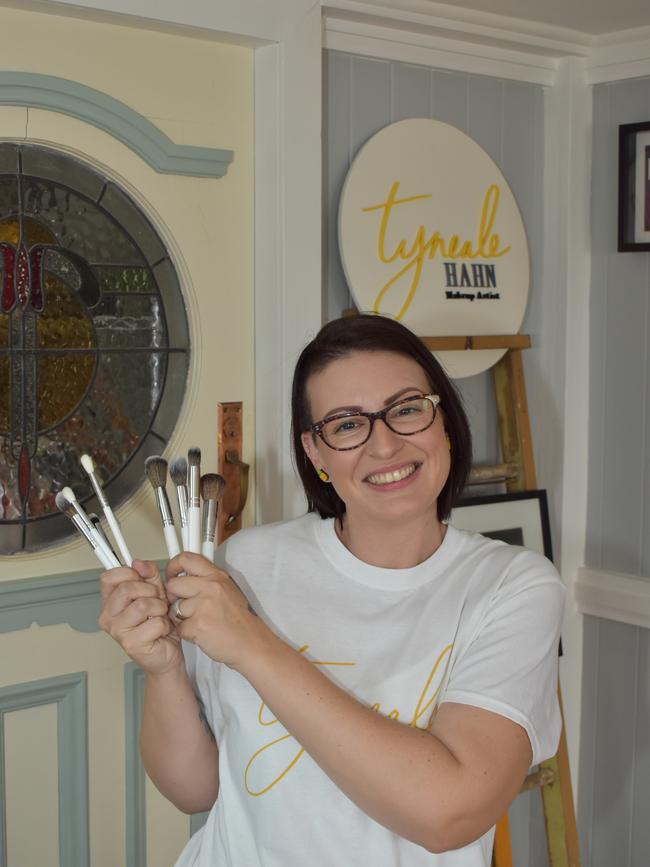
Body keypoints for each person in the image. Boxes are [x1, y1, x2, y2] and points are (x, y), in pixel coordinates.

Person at [99, 313, 565, 867]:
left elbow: (450, 815)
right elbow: (194, 789)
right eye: (346, 425)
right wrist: (164, 669)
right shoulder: (248, 564)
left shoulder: (514, 587)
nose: (385, 445)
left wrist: (251, 644)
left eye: (407, 408)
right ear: (316, 453)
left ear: (443, 420)